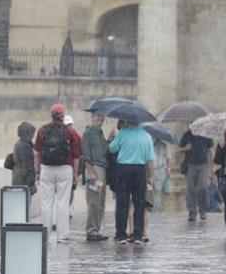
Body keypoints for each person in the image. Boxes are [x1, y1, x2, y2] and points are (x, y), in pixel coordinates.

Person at [33, 103, 82, 243]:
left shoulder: (42, 130)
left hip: (47, 168)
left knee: (46, 202)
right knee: (63, 202)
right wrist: (76, 174)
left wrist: (37, 171)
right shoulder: (69, 132)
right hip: (65, 169)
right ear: (63, 115)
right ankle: (63, 235)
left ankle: (45, 234)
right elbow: (77, 155)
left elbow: (37, 153)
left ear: (51, 114)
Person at [109, 120, 156, 245]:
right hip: (140, 170)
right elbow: (150, 159)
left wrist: (112, 139)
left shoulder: (123, 133)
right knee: (139, 203)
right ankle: (138, 235)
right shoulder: (147, 136)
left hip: (123, 169)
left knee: (122, 202)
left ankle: (121, 235)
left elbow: (112, 149)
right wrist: (151, 175)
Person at [81, 112, 109, 242]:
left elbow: (103, 151)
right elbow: (86, 154)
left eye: (102, 116)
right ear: (92, 117)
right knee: (93, 201)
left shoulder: (100, 133)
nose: (100, 119)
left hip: (102, 170)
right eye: (98, 116)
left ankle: (96, 229)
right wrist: (90, 172)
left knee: (100, 201)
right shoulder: (88, 133)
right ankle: (91, 230)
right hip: (94, 169)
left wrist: (109, 140)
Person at [178, 129, 214, 221]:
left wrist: (213, 165)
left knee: (203, 187)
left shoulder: (206, 134)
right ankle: (192, 212)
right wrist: (185, 148)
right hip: (190, 164)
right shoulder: (187, 134)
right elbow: (179, 150)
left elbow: (210, 150)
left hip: (203, 164)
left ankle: (203, 210)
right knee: (190, 189)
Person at [12, 121, 36, 195]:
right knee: (24, 203)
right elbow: (29, 167)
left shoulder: (18, 144)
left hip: (17, 178)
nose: (32, 136)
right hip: (24, 181)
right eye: (31, 133)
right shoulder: (26, 147)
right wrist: (31, 185)